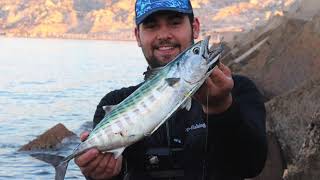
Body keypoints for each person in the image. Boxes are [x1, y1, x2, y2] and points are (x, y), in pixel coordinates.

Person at [75, 0, 268, 179]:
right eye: (151, 26)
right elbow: (111, 171)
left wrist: (221, 108)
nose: (164, 35)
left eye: (175, 23)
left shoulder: (238, 90)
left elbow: (251, 165)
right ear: (137, 36)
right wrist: (102, 174)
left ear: (195, 28)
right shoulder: (114, 103)